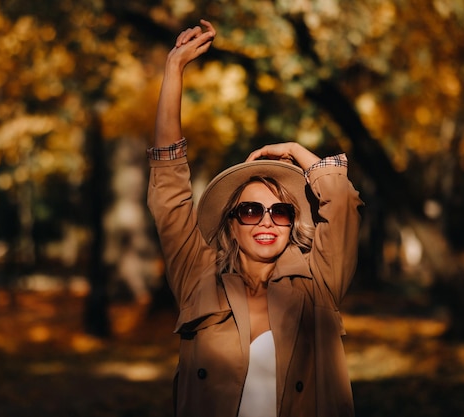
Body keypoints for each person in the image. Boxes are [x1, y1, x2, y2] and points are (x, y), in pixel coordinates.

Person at [147, 19, 363, 417]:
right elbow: (169, 192)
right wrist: (173, 71)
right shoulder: (198, 278)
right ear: (231, 221)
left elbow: (342, 202)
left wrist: (296, 150)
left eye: (279, 211)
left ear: (291, 222)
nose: (266, 222)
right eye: (250, 210)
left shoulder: (319, 283)